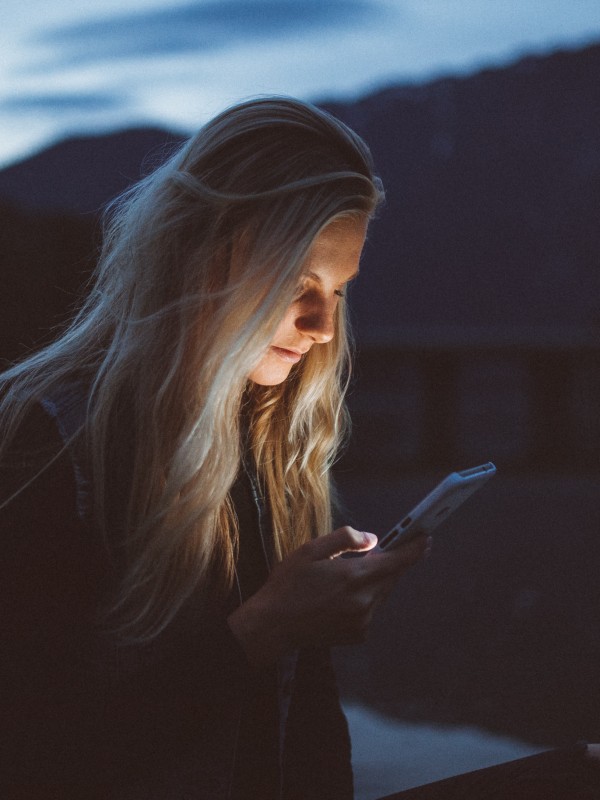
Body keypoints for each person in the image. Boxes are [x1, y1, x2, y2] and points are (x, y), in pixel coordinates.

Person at [0, 96, 598, 800]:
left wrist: (298, 629)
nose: (319, 325)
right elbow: (32, 757)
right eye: (297, 283)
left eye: (339, 291)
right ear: (198, 254)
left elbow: (309, 732)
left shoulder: (268, 445)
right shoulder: (47, 445)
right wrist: (263, 631)